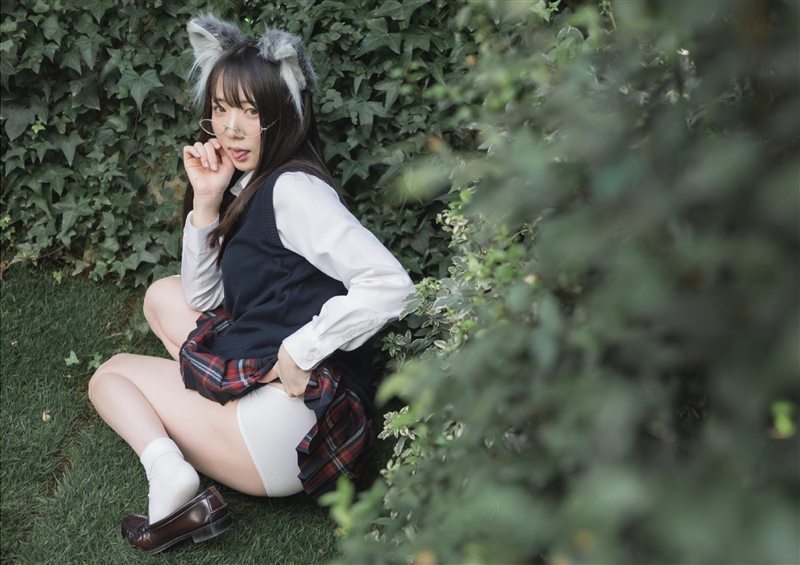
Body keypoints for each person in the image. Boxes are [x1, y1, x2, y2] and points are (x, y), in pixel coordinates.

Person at [88, 15, 414, 555]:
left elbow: (390, 284)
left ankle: (170, 476)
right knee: (163, 296)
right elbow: (204, 298)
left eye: (250, 110)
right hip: (286, 400)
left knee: (111, 376)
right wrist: (207, 201)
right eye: (220, 109)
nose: (231, 128)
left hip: (293, 425)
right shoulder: (255, 184)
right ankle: (207, 411)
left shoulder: (294, 192)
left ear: (283, 113)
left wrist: (301, 350)